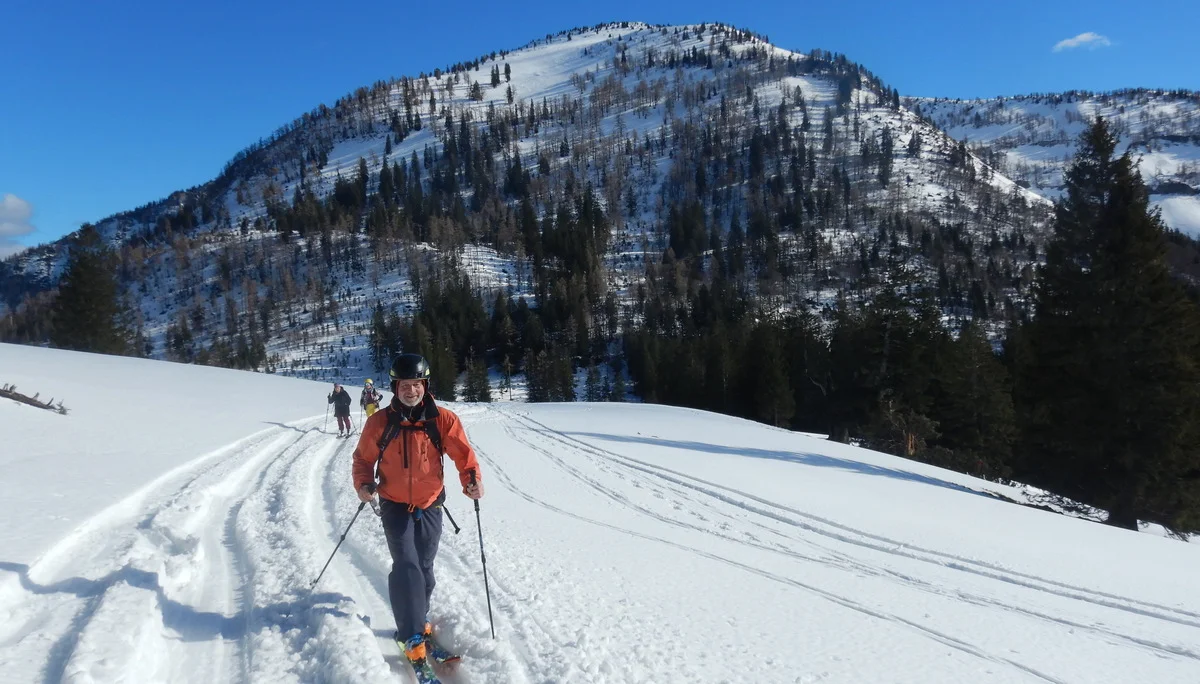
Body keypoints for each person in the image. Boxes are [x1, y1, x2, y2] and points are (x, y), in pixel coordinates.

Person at [352, 353, 483, 675]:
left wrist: (472, 480)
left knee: (425, 566)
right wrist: (364, 484)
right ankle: (409, 634)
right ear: (395, 387)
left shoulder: (443, 419)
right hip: (394, 503)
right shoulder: (380, 422)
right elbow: (363, 460)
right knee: (406, 565)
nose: (411, 391)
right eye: (404, 385)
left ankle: (419, 620)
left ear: (425, 385)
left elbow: (463, 455)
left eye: (416, 384)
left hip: (431, 503)